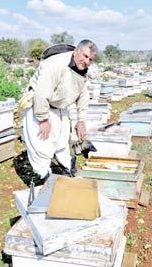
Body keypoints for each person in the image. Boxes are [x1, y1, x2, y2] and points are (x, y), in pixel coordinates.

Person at [21, 39, 97, 178]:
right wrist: (43, 119)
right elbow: (42, 93)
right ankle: (42, 178)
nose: (87, 61)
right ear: (76, 52)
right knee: (42, 146)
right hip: (39, 106)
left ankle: (67, 170)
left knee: (61, 143)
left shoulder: (82, 70)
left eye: (90, 59)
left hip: (60, 107)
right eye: (85, 56)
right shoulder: (54, 64)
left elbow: (83, 94)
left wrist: (81, 120)